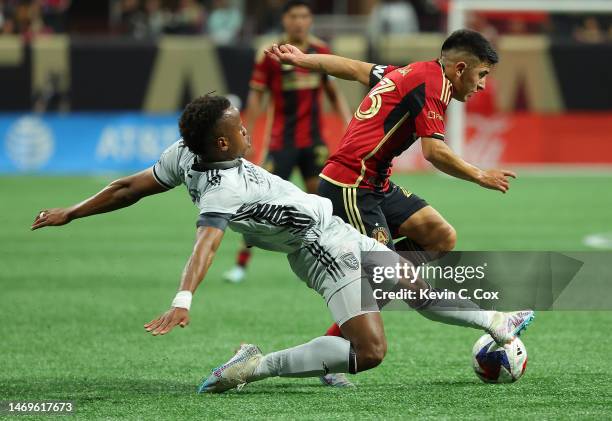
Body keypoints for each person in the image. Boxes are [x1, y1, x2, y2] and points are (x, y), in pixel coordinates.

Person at [31, 94, 534, 394]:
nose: (247, 129)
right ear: (223, 143)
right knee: (372, 349)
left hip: (327, 229)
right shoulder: (224, 188)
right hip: (318, 246)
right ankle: (255, 364)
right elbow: (206, 243)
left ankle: (497, 321)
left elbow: (126, 188)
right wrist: (182, 299)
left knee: (407, 281)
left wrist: (70, 213)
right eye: (238, 126)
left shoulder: (184, 152)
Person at [265, 28, 517, 338]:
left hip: (375, 183)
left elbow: (354, 68)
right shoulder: (433, 85)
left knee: (439, 237)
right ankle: (333, 347)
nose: (482, 84)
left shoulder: (412, 72)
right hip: (351, 185)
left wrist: (304, 59)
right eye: (482, 74)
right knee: (394, 278)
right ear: (461, 68)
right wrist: (481, 175)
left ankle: (373, 272)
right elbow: (434, 152)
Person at [223, 0, 352, 286]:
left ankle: (338, 259)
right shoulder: (271, 55)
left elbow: (333, 92)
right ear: (285, 20)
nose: (300, 21)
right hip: (281, 143)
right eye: (294, 16)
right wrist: (247, 133)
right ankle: (241, 266)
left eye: (305, 16)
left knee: (326, 204)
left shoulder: (320, 52)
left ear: (310, 20)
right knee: (259, 204)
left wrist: (349, 125)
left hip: (314, 143)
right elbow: (257, 97)